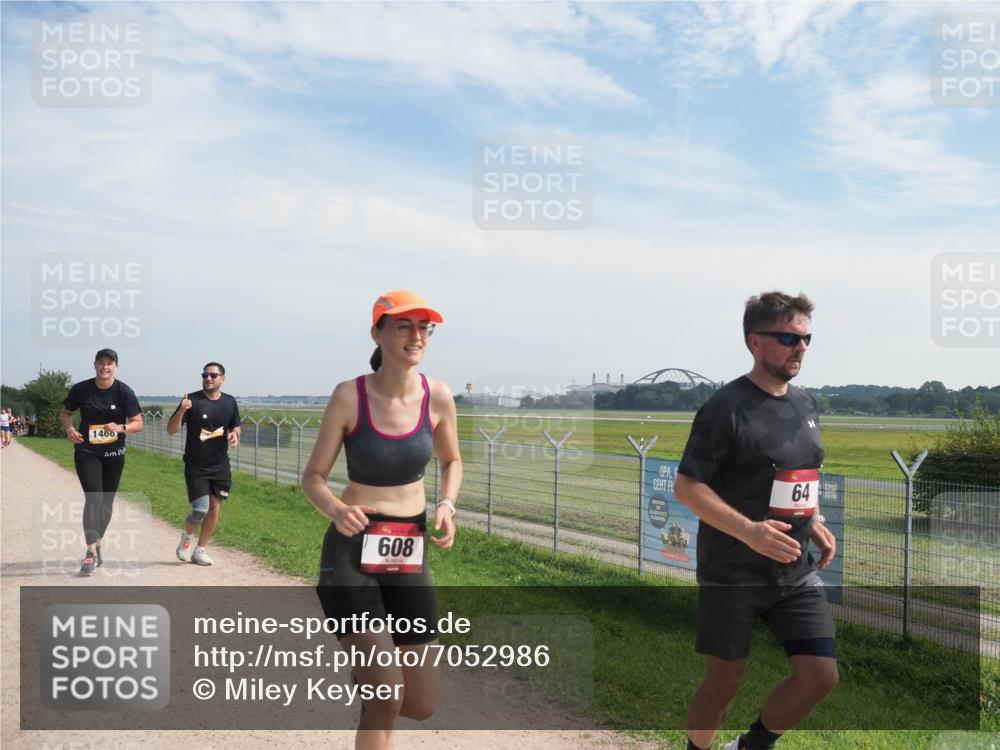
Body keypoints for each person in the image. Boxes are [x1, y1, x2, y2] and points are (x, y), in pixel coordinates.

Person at [674, 292, 838, 750]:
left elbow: (796, 473)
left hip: (793, 567)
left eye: (806, 338)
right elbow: (688, 486)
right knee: (724, 682)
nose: (800, 347)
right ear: (755, 342)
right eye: (788, 337)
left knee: (820, 676)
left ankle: (752, 746)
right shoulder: (725, 408)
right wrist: (749, 531)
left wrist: (814, 518)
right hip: (732, 570)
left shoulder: (806, 404)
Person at [302, 290, 462, 749]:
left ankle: (370, 683)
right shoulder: (349, 397)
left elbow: (452, 461)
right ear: (377, 333)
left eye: (424, 327)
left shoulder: (439, 397)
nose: (417, 335)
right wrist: (336, 509)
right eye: (404, 326)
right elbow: (312, 478)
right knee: (389, 695)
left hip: (409, 548)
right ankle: (377, 686)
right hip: (352, 550)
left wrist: (447, 506)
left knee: (420, 703)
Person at [61, 349, 144, 576]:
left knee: (106, 503)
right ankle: (89, 553)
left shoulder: (124, 392)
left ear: (116, 366)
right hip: (87, 450)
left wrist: (122, 428)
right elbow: (66, 412)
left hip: (114, 453)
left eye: (109, 363)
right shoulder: (81, 389)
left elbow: (138, 423)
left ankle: (98, 543)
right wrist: (69, 429)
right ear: (94, 365)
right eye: (101, 363)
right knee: (94, 498)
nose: (104, 367)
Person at [166, 362, 241, 567]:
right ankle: (186, 540)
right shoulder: (191, 400)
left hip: (220, 465)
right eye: (205, 375)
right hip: (196, 465)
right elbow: (171, 430)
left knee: (215, 508)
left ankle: (200, 550)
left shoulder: (229, 402)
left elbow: (235, 425)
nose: (208, 378)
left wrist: (235, 434)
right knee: (200, 509)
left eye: (213, 375)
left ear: (222, 378)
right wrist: (182, 411)